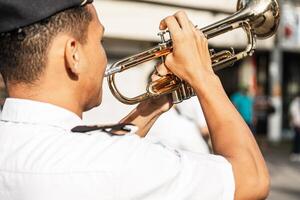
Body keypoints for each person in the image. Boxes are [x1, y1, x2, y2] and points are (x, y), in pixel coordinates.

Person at [0, 1, 269, 200]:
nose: (104, 55)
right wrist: (203, 75)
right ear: (74, 54)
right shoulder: (117, 164)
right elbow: (252, 180)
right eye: (99, 40)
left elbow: (91, 157)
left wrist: (150, 107)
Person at [289, 91, 300, 162]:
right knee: (297, 139)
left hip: (297, 123)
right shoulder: (296, 102)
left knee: (297, 139)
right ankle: (295, 153)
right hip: (297, 124)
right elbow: (293, 114)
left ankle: (296, 153)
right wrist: (296, 123)